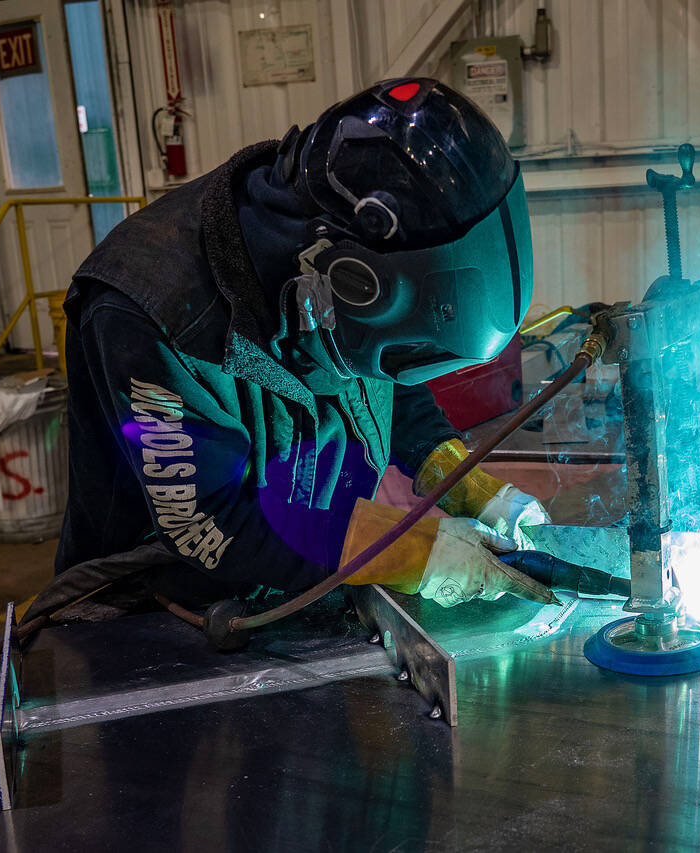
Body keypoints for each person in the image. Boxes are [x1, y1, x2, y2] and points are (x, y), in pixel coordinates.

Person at [55, 78, 556, 611]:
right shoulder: (148, 312)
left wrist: (464, 482)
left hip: (298, 587)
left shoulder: (333, 271)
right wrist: (410, 552)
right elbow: (211, 521)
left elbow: (387, 372)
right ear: (353, 279)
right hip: (153, 623)